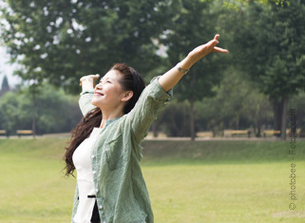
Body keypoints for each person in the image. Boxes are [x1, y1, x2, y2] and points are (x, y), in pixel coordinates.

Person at [64, 34, 229, 223]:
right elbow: (86, 100)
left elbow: (152, 95)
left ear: (126, 95)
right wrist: (87, 83)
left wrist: (189, 60)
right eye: (101, 81)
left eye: (108, 82)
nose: (100, 85)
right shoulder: (92, 121)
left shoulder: (128, 127)